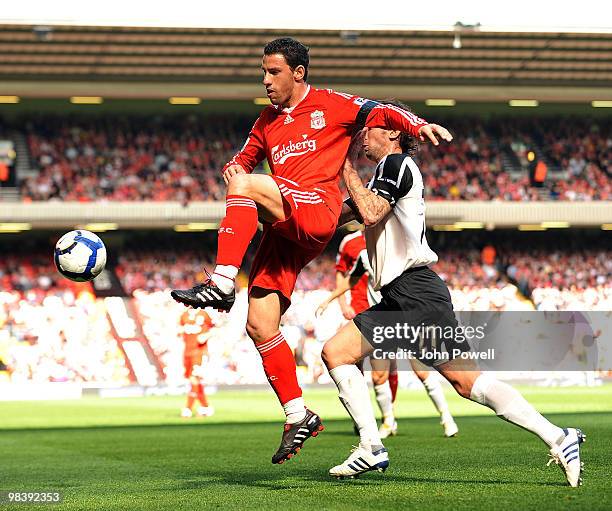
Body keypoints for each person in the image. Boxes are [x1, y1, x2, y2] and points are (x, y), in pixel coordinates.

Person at [171, 37, 452, 465]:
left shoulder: (332, 104)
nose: (265, 80)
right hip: (285, 226)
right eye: (263, 72)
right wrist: (234, 167)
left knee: (245, 190)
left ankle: (224, 279)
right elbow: (243, 162)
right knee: (260, 324)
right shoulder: (266, 121)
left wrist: (416, 125)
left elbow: (381, 111)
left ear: (298, 72)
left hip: (317, 208)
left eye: (273, 72)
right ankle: (297, 414)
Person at [321, 103, 585, 486]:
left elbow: (371, 211)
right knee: (337, 353)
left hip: (416, 293)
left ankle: (560, 437)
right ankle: (371, 446)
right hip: (402, 296)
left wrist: (343, 167)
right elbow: (348, 213)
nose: (363, 134)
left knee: (469, 383)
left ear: (393, 133)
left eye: (371, 128)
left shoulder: (395, 166)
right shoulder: (383, 172)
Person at [318, 232, 459, 438]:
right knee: (379, 375)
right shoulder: (365, 256)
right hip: (383, 320)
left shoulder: (399, 249)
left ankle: (447, 417)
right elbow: (350, 281)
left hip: (408, 315)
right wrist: (329, 299)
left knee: (422, 370)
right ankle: (388, 421)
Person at [179, 308, 215, 418]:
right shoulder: (184, 315)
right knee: (193, 380)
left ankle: (188, 409)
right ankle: (206, 407)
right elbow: (180, 329)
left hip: (199, 352)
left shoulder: (204, 314)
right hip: (187, 352)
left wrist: (206, 335)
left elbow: (215, 328)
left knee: (195, 378)